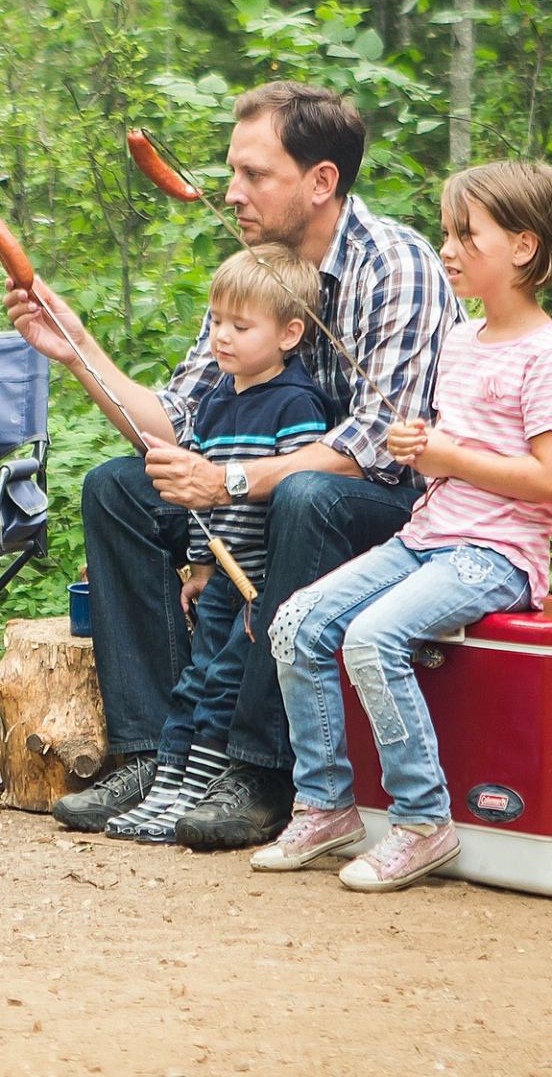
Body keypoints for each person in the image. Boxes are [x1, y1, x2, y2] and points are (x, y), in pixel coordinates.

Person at [7, 80, 460, 849]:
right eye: (232, 172)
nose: (231, 192)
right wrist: (76, 346)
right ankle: (158, 752)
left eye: (255, 174)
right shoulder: (256, 273)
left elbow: (377, 446)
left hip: (385, 518)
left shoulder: (397, 268)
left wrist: (231, 483)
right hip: (262, 502)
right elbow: (172, 424)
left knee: (306, 495)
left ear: (321, 181)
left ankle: (259, 768)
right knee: (117, 487)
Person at [252, 160, 552, 890]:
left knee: (372, 640)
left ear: (523, 248)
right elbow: (448, 449)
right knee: (298, 623)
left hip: (495, 555)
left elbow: (551, 479)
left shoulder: (550, 355)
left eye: (467, 235)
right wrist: (422, 447)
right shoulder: (462, 339)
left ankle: (422, 821)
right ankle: (326, 807)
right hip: (426, 539)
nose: (449, 249)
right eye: (446, 232)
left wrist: (448, 454)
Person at [102, 243, 330, 844]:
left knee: (225, 682)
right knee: (197, 679)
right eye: (218, 322)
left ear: (289, 333)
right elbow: (201, 494)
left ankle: (202, 790)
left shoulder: (296, 404)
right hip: (226, 575)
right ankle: (170, 791)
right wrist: (200, 566)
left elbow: (295, 497)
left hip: (262, 579)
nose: (221, 338)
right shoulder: (217, 400)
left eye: (239, 326)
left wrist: (272, 592)